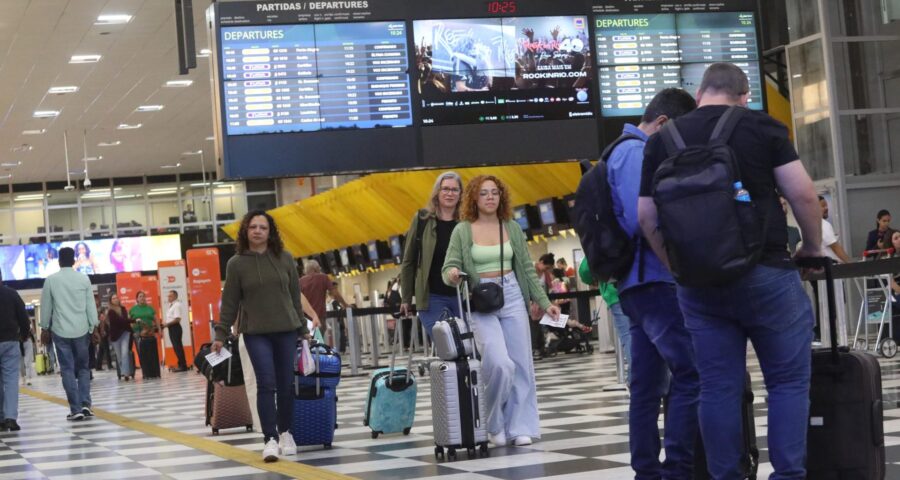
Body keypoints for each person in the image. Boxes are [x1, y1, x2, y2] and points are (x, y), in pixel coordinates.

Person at [638, 63, 822, 478]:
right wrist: (811, 246)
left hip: (699, 288)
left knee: (717, 387)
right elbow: (803, 195)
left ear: (700, 93)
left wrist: (676, 267)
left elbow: (646, 216)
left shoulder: (662, 141)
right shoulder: (762, 127)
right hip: (767, 272)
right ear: (744, 95)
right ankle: (788, 475)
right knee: (787, 383)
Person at [604, 87, 700, 477]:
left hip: (638, 285)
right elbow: (639, 219)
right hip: (654, 281)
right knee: (691, 373)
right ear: (662, 123)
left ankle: (647, 470)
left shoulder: (624, 149)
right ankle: (677, 468)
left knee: (645, 388)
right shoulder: (634, 152)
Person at [442, 175, 561, 448]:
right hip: (480, 298)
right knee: (499, 363)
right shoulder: (463, 230)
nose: (490, 198)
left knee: (521, 365)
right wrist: (452, 274)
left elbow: (528, 271)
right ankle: (493, 421)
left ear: (501, 197)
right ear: (474, 198)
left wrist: (545, 303)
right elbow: (449, 267)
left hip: (511, 294)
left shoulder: (511, 227)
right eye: (484, 193)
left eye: (494, 192)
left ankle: (520, 426)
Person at [214, 210, 321, 463]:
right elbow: (229, 303)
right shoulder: (236, 264)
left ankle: (286, 433)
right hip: (255, 333)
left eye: (263, 227)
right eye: (253, 227)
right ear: (246, 231)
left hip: (285, 330)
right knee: (266, 383)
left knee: (285, 385)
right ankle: (269, 439)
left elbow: (294, 297)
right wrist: (220, 332)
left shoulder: (285, 259)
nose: (258, 231)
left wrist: (302, 330)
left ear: (270, 232)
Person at [399, 171, 464, 339]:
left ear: (460, 194)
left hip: (461, 296)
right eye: (445, 189)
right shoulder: (422, 219)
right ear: (437, 192)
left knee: (470, 348)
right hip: (431, 297)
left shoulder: (466, 223)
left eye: (455, 190)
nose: (450, 193)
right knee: (448, 345)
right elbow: (408, 261)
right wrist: (406, 298)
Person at [39, 247, 99, 421]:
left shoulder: (51, 280)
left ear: (59, 262)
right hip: (81, 330)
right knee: (83, 368)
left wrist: (44, 327)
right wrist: (93, 326)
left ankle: (76, 409)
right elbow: (90, 306)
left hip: (60, 331)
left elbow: (46, 307)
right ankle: (86, 404)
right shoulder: (83, 279)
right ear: (74, 261)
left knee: (67, 369)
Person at [578, 259, 632, 385]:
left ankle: (636, 379)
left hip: (616, 291)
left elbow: (585, 270)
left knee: (629, 337)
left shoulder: (602, 238)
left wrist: (596, 278)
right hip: (648, 287)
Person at [0, 270, 29, 432]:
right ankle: (10, 417)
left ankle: (0, 418)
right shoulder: (12, 294)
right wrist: (24, 335)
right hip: (10, 342)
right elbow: (23, 318)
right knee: (11, 381)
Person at [300, 259, 349, 346]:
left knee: (307, 345)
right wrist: (345, 304)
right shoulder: (323, 277)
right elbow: (335, 293)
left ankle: (309, 358)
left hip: (304, 320)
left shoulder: (300, 281)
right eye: (319, 268)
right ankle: (316, 358)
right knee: (317, 345)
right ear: (316, 269)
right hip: (319, 318)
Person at [129, 291, 159, 379]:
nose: (142, 298)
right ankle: (145, 372)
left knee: (151, 353)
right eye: (140, 296)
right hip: (138, 332)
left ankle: (153, 371)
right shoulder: (133, 309)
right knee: (141, 353)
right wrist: (133, 330)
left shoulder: (150, 308)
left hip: (149, 333)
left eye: (143, 296)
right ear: (137, 299)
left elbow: (156, 319)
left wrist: (159, 330)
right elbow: (129, 320)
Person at [107, 294, 134, 381]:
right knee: (119, 356)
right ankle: (124, 371)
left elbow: (124, 320)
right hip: (115, 336)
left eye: (116, 297)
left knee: (125, 353)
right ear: (110, 301)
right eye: (113, 298)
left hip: (125, 333)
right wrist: (132, 320)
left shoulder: (123, 309)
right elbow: (119, 321)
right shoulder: (111, 311)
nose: (115, 299)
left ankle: (126, 373)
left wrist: (128, 321)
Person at [818, 196, 852, 264]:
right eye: (823, 206)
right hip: (833, 268)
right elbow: (835, 247)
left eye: (826, 205)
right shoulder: (823, 224)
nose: (827, 208)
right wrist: (851, 264)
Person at [160, 291, 189, 372]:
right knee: (176, 347)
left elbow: (177, 319)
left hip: (175, 328)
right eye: (168, 296)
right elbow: (171, 318)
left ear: (175, 296)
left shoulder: (177, 305)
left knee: (178, 347)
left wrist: (167, 324)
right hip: (171, 328)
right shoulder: (171, 305)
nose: (168, 298)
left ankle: (183, 366)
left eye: (170, 296)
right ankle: (181, 364)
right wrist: (165, 324)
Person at [94, 305, 110, 371]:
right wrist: (100, 337)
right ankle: (109, 365)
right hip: (102, 338)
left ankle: (98, 366)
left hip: (102, 337)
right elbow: (101, 329)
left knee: (101, 352)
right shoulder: (101, 318)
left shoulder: (100, 318)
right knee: (106, 351)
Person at [21, 322, 36, 387]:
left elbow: (32, 331)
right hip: (22, 342)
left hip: (24, 341)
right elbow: (32, 331)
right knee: (24, 362)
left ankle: (27, 378)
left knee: (25, 361)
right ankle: (25, 378)